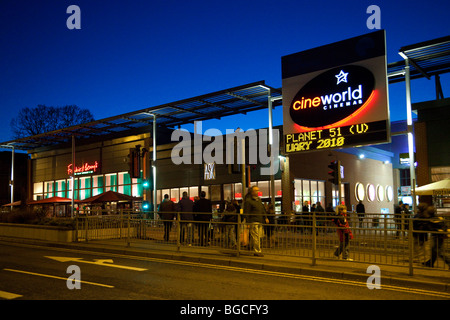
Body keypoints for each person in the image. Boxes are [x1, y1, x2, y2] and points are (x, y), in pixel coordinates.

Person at [244, 186, 269, 257]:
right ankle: (257, 251)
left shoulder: (259, 200)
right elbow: (246, 213)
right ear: (252, 192)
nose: (258, 192)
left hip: (260, 220)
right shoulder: (248, 201)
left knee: (259, 236)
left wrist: (265, 217)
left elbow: (262, 209)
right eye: (256, 190)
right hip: (253, 221)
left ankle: (251, 247)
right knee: (256, 237)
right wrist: (248, 222)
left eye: (258, 190)